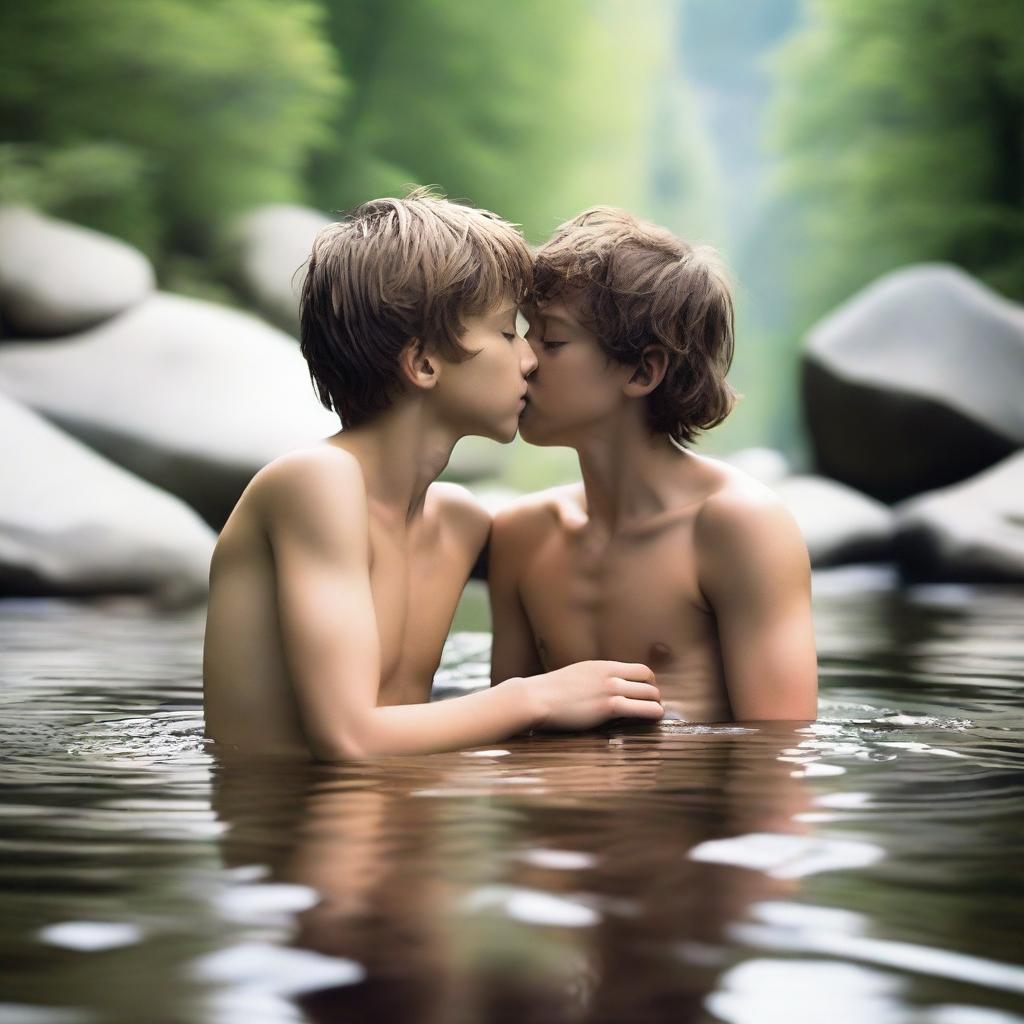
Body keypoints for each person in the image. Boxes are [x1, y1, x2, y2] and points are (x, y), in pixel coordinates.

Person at [203, 190, 664, 761]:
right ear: (423, 363)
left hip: (406, 832)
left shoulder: (459, 521)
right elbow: (349, 737)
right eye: (506, 332)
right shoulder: (315, 482)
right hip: (299, 833)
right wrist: (536, 697)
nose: (529, 359)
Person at [489, 207, 818, 723]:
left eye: (551, 341)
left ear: (644, 369)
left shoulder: (738, 527)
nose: (523, 360)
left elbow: (778, 754)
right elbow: (504, 734)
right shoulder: (521, 536)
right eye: (524, 335)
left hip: (680, 803)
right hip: (557, 803)